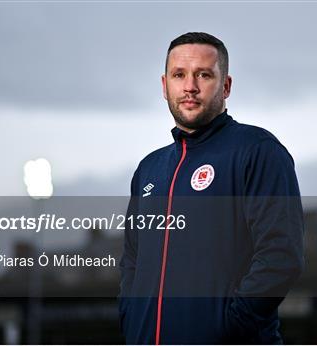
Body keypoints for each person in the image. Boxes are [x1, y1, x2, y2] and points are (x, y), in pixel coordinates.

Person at [119, 32, 305, 345]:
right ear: (165, 86)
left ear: (226, 86)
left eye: (203, 75)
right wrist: (132, 320)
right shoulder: (149, 170)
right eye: (179, 75)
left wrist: (227, 326)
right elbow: (132, 261)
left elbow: (281, 254)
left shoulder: (257, 151)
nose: (190, 87)